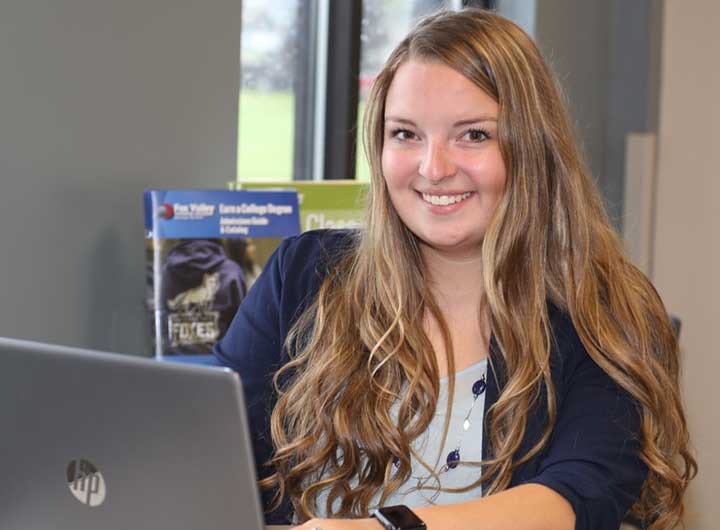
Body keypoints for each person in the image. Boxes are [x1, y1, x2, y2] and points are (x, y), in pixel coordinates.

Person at [214, 9, 696, 530]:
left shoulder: (603, 309)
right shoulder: (303, 275)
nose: (433, 168)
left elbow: (577, 495)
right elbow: (209, 443)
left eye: (472, 135)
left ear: (533, 148)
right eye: (405, 134)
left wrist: (382, 528)